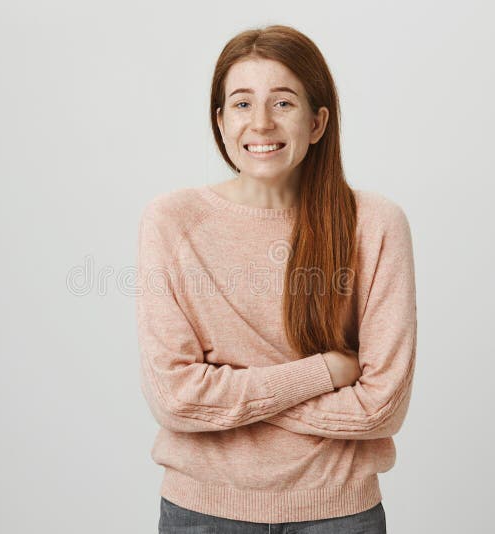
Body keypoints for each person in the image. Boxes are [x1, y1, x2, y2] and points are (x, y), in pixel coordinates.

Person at [136, 24, 417, 533]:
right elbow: (176, 398)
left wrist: (228, 398)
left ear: (317, 122)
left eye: (283, 103)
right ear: (220, 122)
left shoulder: (375, 224)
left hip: (339, 515)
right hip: (202, 514)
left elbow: (382, 407)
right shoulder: (171, 220)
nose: (260, 123)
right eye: (242, 104)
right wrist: (326, 372)